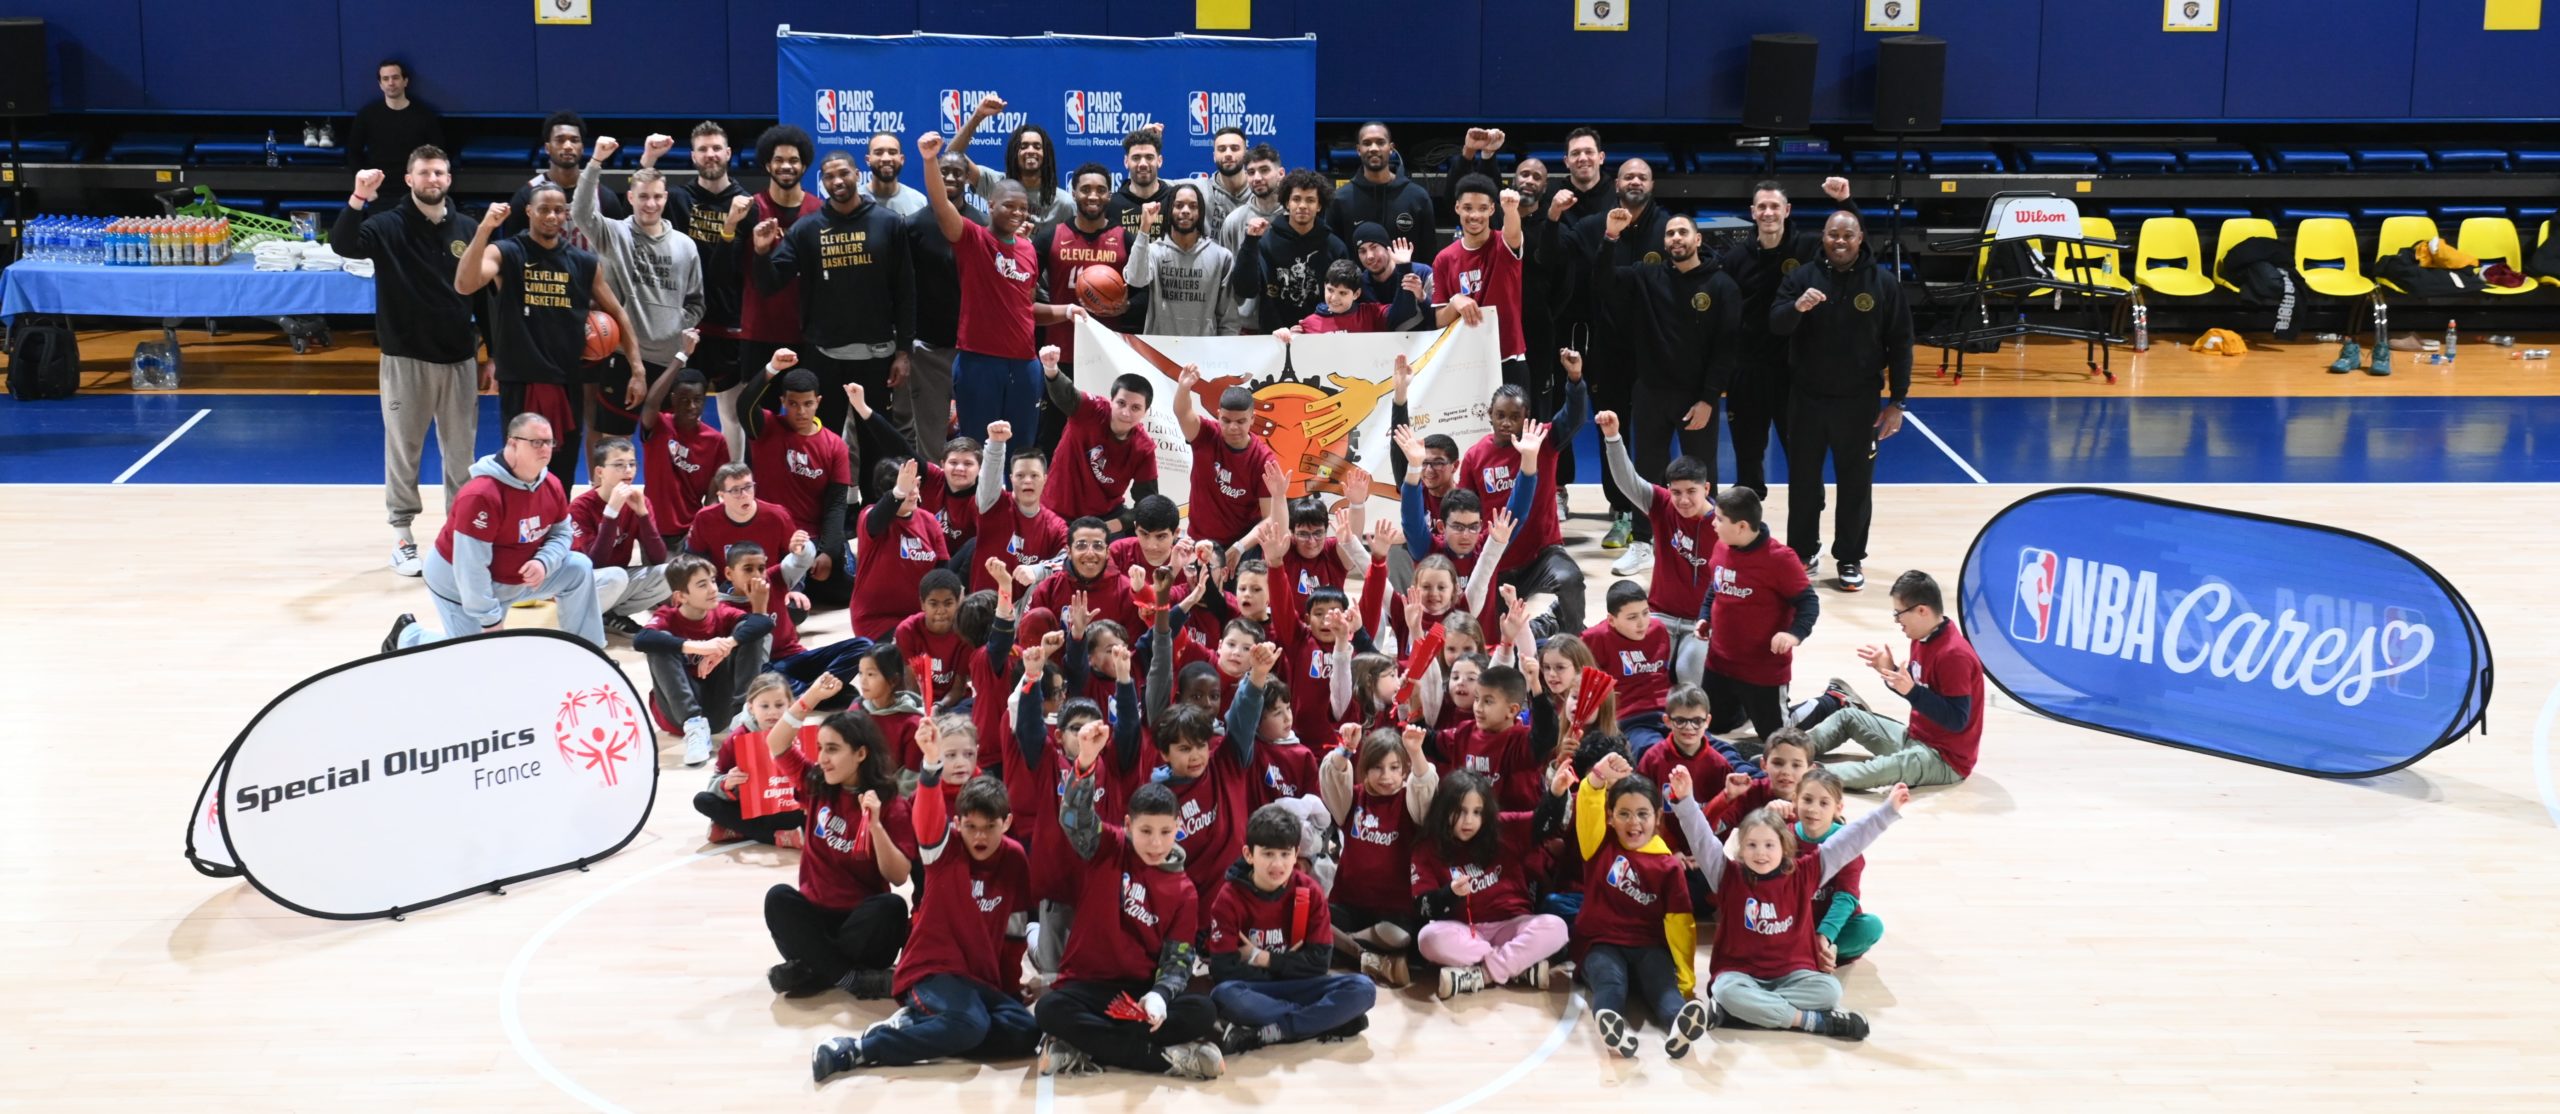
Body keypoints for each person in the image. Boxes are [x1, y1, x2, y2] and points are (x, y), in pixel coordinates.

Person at [811, 724, 1036, 1080]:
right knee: (971, 1024)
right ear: (957, 823)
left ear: (1006, 823)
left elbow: (1014, 932)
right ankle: (862, 1049)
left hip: (979, 979)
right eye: (971, 826)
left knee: (1025, 1032)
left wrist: (1008, 986)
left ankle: (924, 1027)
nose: (980, 836)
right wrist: (931, 765)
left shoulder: (1014, 859)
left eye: (989, 827)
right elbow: (928, 818)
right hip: (932, 970)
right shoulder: (944, 850)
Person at [1034, 723, 1227, 1080]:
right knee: (1048, 1009)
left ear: (1178, 827)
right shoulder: (1108, 845)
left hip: (1139, 995)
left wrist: (1160, 996)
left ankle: (1082, 1046)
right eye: (1146, 832)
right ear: (1127, 824)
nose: (1156, 843)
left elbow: (1178, 960)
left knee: (1203, 1010)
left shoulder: (1184, 891)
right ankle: (1163, 1060)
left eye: (1165, 832)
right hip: (1087, 988)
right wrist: (1086, 763)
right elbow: (1073, 819)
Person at [1672, 769, 1912, 1040]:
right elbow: (1702, 839)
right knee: (1725, 991)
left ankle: (1740, 1013)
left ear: (1784, 848)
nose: (1760, 853)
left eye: (1769, 845)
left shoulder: (1803, 873)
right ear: (1741, 850)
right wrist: (1685, 801)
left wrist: (1887, 811)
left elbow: (1848, 841)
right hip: (1742, 974)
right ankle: (1810, 1022)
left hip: (1792, 975)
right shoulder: (1727, 876)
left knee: (1830, 990)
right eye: (1751, 845)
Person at [334, 147, 483, 577]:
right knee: (404, 451)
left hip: (459, 358)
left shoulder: (468, 229)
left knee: (461, 456)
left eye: (439, 171)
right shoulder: (386, 225)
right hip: (405, 358)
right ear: (409, 178)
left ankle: (460, 539)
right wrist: (359, 196)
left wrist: (488, 354)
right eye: (424, 172)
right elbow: (344, 243)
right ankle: (402, 538)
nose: (432, 178)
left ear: (449, 179)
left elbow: (484, 297)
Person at [455, 188, 643, 490]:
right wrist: (484, 229)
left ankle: (557, 533)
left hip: (568, 381)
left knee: (561, 471)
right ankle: (521, 533)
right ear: (529, 211)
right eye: (544, 209)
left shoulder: (583, 263)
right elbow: (464, 284)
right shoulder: (507, 252)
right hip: (522, 381)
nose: (551, 216)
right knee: (521, 469)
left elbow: (619, 314)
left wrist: (637, 368)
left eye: (558, 210)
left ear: (566, 214)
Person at [1590, 209, 1740, 576]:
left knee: (1703, 475)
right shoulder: (1646, 275)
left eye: (1683, 233)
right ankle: (1643, 543)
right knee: (1647, 473)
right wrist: (1610, 238)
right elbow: (1602, 282)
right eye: (1670, 233)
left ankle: (1708, 545)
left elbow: (1727, 348)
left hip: (1696, 399)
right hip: (1651, 393)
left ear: (1697, 240)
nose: (1676, 238)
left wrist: (1708, 398)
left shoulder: (1722, 286)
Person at [1769, 211, 1913, 592]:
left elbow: (1900, 344)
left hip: (1859, 403)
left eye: (1848, 234)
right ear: (1824, 237)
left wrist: (1898, 401)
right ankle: (1801, 552)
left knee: (1855, 484)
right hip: (1806, 400)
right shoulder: (1801, 278)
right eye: (1833, 234)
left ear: (1860, 237)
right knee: (1802, 482)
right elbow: (1775, 324)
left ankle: (1849, 558)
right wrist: (1796, 308)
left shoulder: (1883, 284)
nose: (1840, 241)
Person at [383, 413, 605, 652]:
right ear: (513, 443)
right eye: (536, 442)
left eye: (549, 442)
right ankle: (408, 636)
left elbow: (562, 533)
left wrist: (544, 562)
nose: (545, 449)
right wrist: (490, 620)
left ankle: (589, 652)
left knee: (578, 568)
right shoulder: (481, 496)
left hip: (515, 580)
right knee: (474, 660)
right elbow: (470, 568)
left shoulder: (551, 484)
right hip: (459, 586)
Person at [759, 674, 917, 1000]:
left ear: (860, 754)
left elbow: (898, 876)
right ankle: (850, 979)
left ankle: (814, 970)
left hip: (862, 926)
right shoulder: (816, 782)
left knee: (890, 907)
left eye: (832, 749)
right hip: (814, 920)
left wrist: (876, 827)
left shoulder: (890, 802)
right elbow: (776, 743)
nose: (822, 758)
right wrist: (810, 698)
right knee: (778, 898)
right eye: (819, 749)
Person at [917, 131, 1077, 446]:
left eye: (1022, 208)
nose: (1017, 213)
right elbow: (940, 204)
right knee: (978, 446)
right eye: (1009, 207)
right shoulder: (974, 239)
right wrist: (929, 160)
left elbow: (1025, 309)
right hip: (979, 362)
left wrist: (1067, 311)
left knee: (1020, 450)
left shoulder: (1028, 249)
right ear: (990, 205)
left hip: (1024, 365)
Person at [754, 149, 915, 440]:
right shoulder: (807, 229)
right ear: (822, 182)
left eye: (843, 173)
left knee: (876, 442)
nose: (837, 180)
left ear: (857, 175)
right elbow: (770, 284)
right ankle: (837, 489)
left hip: (878, 355)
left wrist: (903, 352)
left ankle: (876, 489)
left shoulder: (888, 223)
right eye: (829, 176)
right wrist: (763, 252)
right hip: (825, 357)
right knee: (824, 441)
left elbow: (906, 290)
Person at [1205, 804, 1380, 1054]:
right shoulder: (1229, 898)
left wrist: (1261, 958)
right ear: (1249, 854)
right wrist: (1293, 964)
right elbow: (1224, 971)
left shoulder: (1309, 891)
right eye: (1268, 854)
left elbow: (1319, 964)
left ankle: (1277, 1029)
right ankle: (1321, 1021)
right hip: (1257, 991)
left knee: (1363, 988)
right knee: (1224, 995)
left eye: (1285, 854)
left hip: (1302, 986)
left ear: (1296, 853)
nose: (1277, 864)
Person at [1720, 177, 1854, 498]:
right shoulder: (1736, 258)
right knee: (1748, 453)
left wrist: (1845, 204)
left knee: (1802, 450)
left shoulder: (1809, 249)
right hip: (1748, 370)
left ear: (1787, 210)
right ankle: (1747, 522)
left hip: (1795, 371)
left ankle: (1810, 519)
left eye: (1774, 206)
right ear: (1752, 212)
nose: (1768, 213)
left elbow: (1854, 251)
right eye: (1762, 207)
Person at [574, 136, 706, 458]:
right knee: (615, 446)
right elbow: (580, 213)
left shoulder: (685, 246)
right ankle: (611, 506)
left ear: (666, 198)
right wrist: (595, 163)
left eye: (657, 197)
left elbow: (696, 301)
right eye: (643, 196)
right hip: (622, 356)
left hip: (669, 360)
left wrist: (676, 325)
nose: (650, 204)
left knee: (670, 450)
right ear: (630, 197)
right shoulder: (613, 233)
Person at [1790, 570, 1983, 789]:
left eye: (1899, 613)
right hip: (1915, 737)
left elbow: (1958, 720)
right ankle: (1793, 754)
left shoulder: (1954, 655)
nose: (1897, 620)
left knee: (1883, 768)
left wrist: (1912, 691)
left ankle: (1806, 776)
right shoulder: (1922, 638)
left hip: (1944, 759)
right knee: (1848, 717)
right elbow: (1917, 689)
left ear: (1922, 611)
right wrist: (1890, 670)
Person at [1570, 759, 1707, 1060]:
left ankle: (1679, 1025)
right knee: (1609, 980)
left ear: (1658, 817)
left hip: (1649, 947)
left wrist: (1686, 981)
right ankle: (1612, 1025)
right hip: (1600, 943)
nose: (1634, 823)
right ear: (1610, 818)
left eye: (1643, 814)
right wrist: (1597, 777)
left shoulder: (1669, 866)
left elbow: (1681, 924)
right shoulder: (1598, 846)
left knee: (1663, 986)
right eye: (1624, 814)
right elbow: (1587, 804)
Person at [1411, 769, 1572, 998]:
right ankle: (1519, 968)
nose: (1469, 821)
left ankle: (1481, 975)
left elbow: (1541, 824)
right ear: (1444, 810)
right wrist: (1450, 894)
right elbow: (1423, 906)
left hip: (1511, 925)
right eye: (1460, 812)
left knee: (1556, 927)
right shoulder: (1428, 846)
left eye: (1477, 812)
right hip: (1465, 932)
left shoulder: (1503, 827)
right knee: (1427, 938)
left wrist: (1556, 793)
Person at [644, 123, 753, 452]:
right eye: (703, 149)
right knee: (679, 409)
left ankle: (733, 483)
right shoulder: (678, 199)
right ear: (693, 156)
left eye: (716, 148)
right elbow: (640, 209)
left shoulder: (747, 202)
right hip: (684, 323)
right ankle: (677, 485)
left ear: (728, 153)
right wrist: (649, 158)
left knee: (733, 413)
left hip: (731, 321)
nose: (710, 154)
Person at [1461, 358, 1587, 634]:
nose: (1506, 423)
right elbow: (1466, 511)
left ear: (1526, 416)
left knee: (1570, 580)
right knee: (1495, 634)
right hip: (1497, 562)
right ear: (1489, 415)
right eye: (1500, 415)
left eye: (1514, 417)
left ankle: (1573, 640)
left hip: (1542, 555)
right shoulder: (1474, 458)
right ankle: (1543, 626)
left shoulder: (1542, 440)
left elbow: (1574, 417)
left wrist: (1575, 379)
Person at [1595, 411, 1717, 686]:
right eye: (1676, 492)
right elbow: (1628, 482)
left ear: (1706, 488)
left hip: (1702, 624)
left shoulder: (1725, 525)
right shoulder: (1662, 504)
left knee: (1690, 677)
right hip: (1658, 616)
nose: (1683, 500)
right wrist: (1613, 438)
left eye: (1691, 492)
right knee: (1635, 674)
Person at [1319, 726, 1440, 988]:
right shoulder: (1355, 797)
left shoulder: (1411, 799)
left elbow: (1426, 786)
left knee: (1401, 938)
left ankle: (1345, 945)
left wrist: (1416, 752)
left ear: (1405, 770)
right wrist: (1346, 748)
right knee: (1311, 919)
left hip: (1394, 912)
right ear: (1365, 768)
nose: (1386, 776)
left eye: (1395, 768)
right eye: (1377, 768)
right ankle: (1366, 957)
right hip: (1349, 903)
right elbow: (1333, 775)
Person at [1698, 485, 1819, 739]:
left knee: (1778, 737)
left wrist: (1793, 635)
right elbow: (1715, 586)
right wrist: (1705, 616)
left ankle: (1833, 700)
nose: (1713, 524)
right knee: (1716, 725)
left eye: (1720, 519)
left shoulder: (1781, 559)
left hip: (1762, 670)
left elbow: (1809, 603)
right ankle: (1749, 705)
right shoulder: (1722, 546)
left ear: (1742, 526)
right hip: (1719, 663)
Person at [737, 352, 854, 606]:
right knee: (778, 599)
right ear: (782, 402)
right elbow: (744, 405)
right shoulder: (765, 427)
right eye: (793, 404)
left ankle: (803, 585)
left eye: (808, 404)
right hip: (769, 537)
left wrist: (828, 553)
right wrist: (771, 368)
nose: (801, 411)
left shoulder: (835, 446)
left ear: (818, 402)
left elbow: (836, 505)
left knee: (849, 589)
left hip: (811, 538)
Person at [637, 553, 776, 763]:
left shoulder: (721, 612)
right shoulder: (668, 616)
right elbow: (641, 640)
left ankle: (742, 718)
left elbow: (763, 623)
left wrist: (726, 646)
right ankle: (695, 728)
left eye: (712, 580)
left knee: (746, 632)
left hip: (719, 709)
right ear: (680, 596)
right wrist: (699, 647)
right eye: (702, 585)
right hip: (677, 715)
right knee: (660, 643)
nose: (713, 589)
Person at [898, 153, 983, 460]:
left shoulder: (981, 223)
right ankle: (932, 499)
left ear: (966, 178)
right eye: (943, 171)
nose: (949, 177)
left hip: (975, 347)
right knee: (930, 434)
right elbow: (904, 287)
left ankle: (977, 499)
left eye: (957, 172)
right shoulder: (915, 224)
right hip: (929, 347)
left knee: (977, 431)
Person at [1035, 163, 1139, 398]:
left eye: (1101, 190)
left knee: (1103, 427)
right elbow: (1024, 291)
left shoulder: (1125, 239)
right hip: (1060, 353)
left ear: (1109, 195)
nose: (1093, 196)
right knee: (1055, 429)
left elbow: (1146, 292)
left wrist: (1127, 306)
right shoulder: (1050, 237)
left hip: (1108, 351)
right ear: (1073, 193)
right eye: (1085, 189)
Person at [738, 125, 823, 393]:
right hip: (759, 332)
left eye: (793, 160)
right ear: (767, 164)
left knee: (806, 421)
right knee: (759, 422)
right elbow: (730, 268)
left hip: (805, 335)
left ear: (805, 165)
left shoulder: (819, 212)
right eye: (779, 160)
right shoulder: (750, 209)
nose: (786, 166)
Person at [1039, 352, 1158, 529]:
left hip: (1103, 519)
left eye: (1135, 408)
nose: (1126, 413)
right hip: (1054, 510)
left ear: (1145, 412)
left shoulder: (1144, 449)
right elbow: (1067, 394)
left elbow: (1147, 504)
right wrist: (1051, 369)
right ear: (1111, 401)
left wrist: (1109, 528)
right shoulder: (1090, 409)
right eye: (1121, 403)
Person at [569, 436, 671, 637]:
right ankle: (584, 618)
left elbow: (658, 558)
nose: (628, 470)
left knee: (670, 572)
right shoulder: (580, 507)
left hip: (616, 581)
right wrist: (611, 513)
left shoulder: (639, 501)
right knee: (616, 576)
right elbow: (595, 563)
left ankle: (610, 616)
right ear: (600, 472)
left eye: (632, 464)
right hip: (580, 587)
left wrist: (642, 514)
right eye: (619, 465)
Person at [633, 331, 726, 549]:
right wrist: (682, 355)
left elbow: (712, 498)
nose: (691, 406)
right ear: (673, 399)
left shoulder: (716, 441)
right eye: (684, 400)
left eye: (697, 400)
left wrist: (702, 529)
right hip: (652, 528)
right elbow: (650, 402)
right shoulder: (658, 424)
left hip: (690, 533)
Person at [1234, 169, 1351, 335]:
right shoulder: (1266, 242)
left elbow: (1346, 300)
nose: (1302, 205)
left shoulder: (1335, 247)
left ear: (1319, 206)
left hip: (1321, 337)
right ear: (1287, 203)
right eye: (1296, 199)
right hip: (1274, 337)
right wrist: (1250, 241)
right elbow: (1244, 289)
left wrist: (1314, 326)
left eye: (1310, 200)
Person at [695, 673, 807, 846]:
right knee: (702, 800)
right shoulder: (737, 738)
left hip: (791, 810)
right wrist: (728, 782)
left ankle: (738, 830)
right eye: (764, 706)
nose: (772, 712)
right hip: (753, 810)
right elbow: (714, 783)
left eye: (779, 705)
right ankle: (780, 837)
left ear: (790, 705)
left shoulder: (800, 733)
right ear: (750, 707)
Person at [1172, 370, 1277, 552]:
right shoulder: (1205, 434)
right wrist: (1184, 387)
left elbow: (1270, 518)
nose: (1233, 427)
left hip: (1242, 545)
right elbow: (1182, 412)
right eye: (1226, 420)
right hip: (1199, 542)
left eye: (1241, 421)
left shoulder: (1264, 460)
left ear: (1253, 419)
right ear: (1218, 414)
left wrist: (1240, 547)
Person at [1432, 174, 1527, 374]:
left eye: (1482, 208)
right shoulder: (1444, 259)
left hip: (1508, 358)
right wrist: (1454, 302)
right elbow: (1439, 319)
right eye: (1468, 208)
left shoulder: (1504, 243)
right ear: (1457, 207)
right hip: (1465, 362)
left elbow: (1513, 232)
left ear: (1492, 209)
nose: (1474, 215)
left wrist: (1510, 210)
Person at [1791, 767, 1885, 967]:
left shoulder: (1848, 841)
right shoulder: (1782, 836)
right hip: (1792, 924)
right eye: (1807, 800)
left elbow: (1846, 898)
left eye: (1824, 803)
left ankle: (1823, 952)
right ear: (1795, 800)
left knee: (1871, 927)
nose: (1813, 809)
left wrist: (1825, 936)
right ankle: (1809, 955)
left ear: (1838, 808)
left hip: (1833, 926)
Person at [850, 456, 948, 641]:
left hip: (921, 616)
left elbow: (943, 572)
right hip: (877, 621)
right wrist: (899, 491)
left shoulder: (928, 520)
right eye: (906, 488)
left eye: (915, 485)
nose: (912, 493)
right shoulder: (869, 515)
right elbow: (876, 520)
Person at [1124, 183, 1236, 336]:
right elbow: (1135, 279)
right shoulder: (1154, 252)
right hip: (1161, 350)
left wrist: (1223, 354)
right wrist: (1144, 229)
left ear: (1201, 211)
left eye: (1193, 206)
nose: (1185, 211)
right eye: (1179, 205)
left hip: (1205, 352)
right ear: (1170, 209)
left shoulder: (1221, 257)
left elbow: (1229, 319)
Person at [948, 96, 1073, 232]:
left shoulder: (1064, 203)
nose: (1030, 151)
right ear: (1014, 152)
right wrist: (978, 116)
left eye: (1037, 146)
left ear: (1046, 154)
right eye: (1024, 146)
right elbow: (952, 156)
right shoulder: (996, 184)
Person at [504, 110, 626, 250]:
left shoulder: (605, 198)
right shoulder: (525, 197)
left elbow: (619, 251)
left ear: (582, 148)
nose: (568, 146)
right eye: (560, 140)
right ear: (547, 148)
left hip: (591, 271)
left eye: (574, 140)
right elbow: (512, 254)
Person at [1584, 580, 1675, 755]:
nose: (1642, 623)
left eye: (1646, 613)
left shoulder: (1658, 629)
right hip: (1630, 719)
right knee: (1654, 752)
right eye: (1632, 617)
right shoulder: (1594, 638)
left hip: (1669, 711)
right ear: (1611, 620)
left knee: (1709, 746)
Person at [1329, 122, 1438, 259]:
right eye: (1367, 143)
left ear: (1391, 148)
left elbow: (1429, 255)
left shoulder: (1417, 198)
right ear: (1358, 150)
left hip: (1406, 279)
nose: (1373, 148)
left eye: (1380, 142)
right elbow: (1334, 258)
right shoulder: (1340, 199)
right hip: (1357, 281)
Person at [342, 61, 443, 207]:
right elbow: (353, 152)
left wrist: (426, 185)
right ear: (380, 84)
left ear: (405, 81)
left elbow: (436, 153)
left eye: (395, 78)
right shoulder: (367, 115)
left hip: (414, 191)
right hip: (379, 192)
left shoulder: (424, 115)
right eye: (385, 78)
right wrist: (367, 189)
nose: (391, 83)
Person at [1216, 144, 1286, 333]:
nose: (1257, 178)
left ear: (1280, 173)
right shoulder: (1234, 221)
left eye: (1264, 170)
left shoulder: (1294, 217)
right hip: (1246, 327)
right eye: (1251, 172)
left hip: (1289, 324)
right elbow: (1227, 280)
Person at [1349, 222, 1433, 331]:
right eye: (1362, 251)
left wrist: (1422, 297)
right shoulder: (1360, 285)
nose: (1369, 256)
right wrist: (1404, 269)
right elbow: (1391, 322)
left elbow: (1438, 320)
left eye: (1374, 247)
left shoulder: (1422, 273)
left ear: (1387, 248)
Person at [1107, 126, 1169, 236]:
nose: (1143, 164)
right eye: (1136, 158)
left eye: (1149, 157)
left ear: (1159, 161)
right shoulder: (1111, 205)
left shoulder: (1173, 201)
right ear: (1126, 162)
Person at [1198, 126, 1253, 234]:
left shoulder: (1260, 190)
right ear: (1214, 156)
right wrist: (1153, 139)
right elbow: (1157, 186)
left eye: (1234, 148)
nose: (1228, 154)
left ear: (1246, 154)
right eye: (1222, 149)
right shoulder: (1200, 190)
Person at [862, 131, 927, 217]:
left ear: (902, 159)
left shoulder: (918, 201)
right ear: (868, 160)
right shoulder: (854, 200)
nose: (886, 158)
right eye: (878, 153)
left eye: (892, 152)